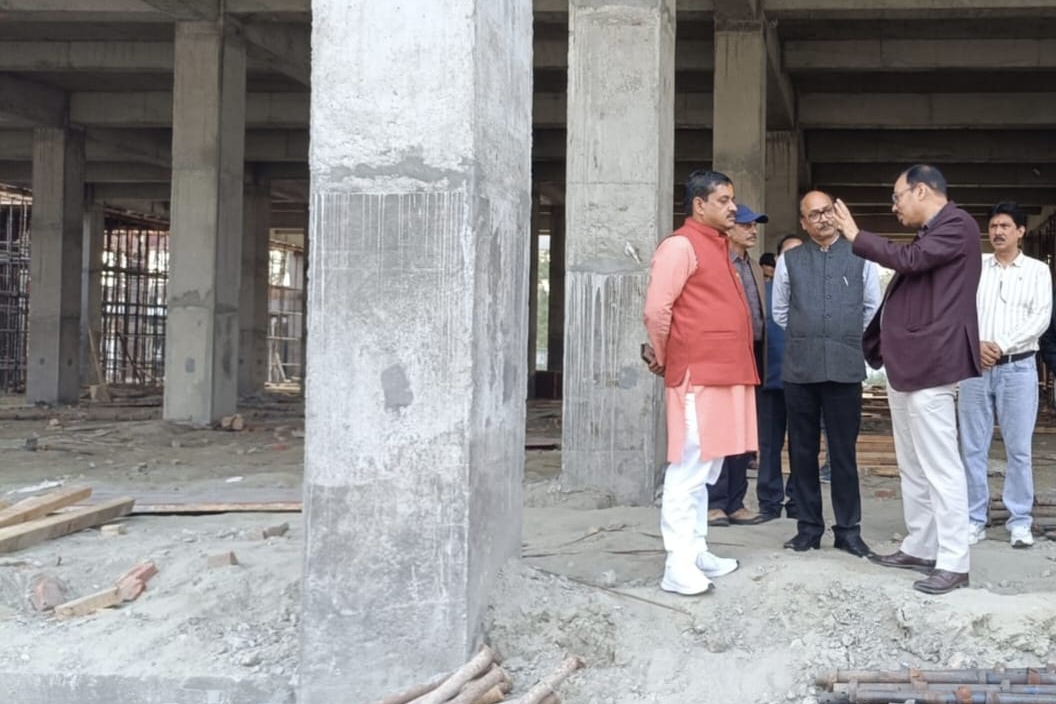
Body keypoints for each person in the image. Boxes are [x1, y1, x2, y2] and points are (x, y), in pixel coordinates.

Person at [831, 164, 981, 595]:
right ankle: (921, 544)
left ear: (921, 191)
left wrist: (856, 235)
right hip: (909, 363)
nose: (894, 206)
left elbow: (910, 262)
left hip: (932, 362)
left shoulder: (957, 225)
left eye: (897, 197)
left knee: (940, 465)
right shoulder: (933, 232)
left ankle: (954, 561)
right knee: (913, 463)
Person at [642, 170, 758, 595]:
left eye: (732, 199)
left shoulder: (718, 246)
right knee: (689, 466)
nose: (732, 207)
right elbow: (657, 311)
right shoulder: (681, 246)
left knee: (707, 466)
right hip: (699, 372)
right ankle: (677, 564)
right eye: (723, 200)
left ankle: (695, 550)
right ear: (699, 204)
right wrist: (666, 355)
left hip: (724, 370)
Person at [772, 191, 881, 557]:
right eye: (814, 215)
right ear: (804, 223)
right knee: (802, 451)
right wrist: (810, 335)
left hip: (845, 367)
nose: (822, 219)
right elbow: (780, 312)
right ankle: (808, 528)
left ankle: (848, 530)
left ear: (836, 214)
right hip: (800, 369)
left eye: (827, 212)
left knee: (843, 453)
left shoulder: (861, 256)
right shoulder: (789, 260)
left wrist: (843, 337)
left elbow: (872, 308)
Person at [957, 201, 1052, 549]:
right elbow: (959, 311)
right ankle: (974, 518)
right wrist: (976, 344)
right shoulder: (975, 267)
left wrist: (999, 345)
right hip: (974, 368)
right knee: (972, 448)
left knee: (1019, 449)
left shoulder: (1038, 271)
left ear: (1021, 231)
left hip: (1018, 368)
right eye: (994, 226)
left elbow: (1040, 318)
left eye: (1005, 226)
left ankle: (1020, 520)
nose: (998, 232)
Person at [708, 203, 768, 528]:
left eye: (754, 225)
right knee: (720, 429)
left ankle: (735, 502)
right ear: (729, 229)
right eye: (746, 225)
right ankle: (714, 503)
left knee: (744, 431)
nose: (753, 231)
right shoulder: (715, 263)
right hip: (723, 355)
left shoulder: (753, 267)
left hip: (752, 353)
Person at [756, 233, 803, 521]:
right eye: (788, 254)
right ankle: (769, 502)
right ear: (777, 260)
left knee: (802, 445)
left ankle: (798, 501)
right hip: (770, 380)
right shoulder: (763, 292)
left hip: (804, 382)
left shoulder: (815, 292)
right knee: (769, 445)